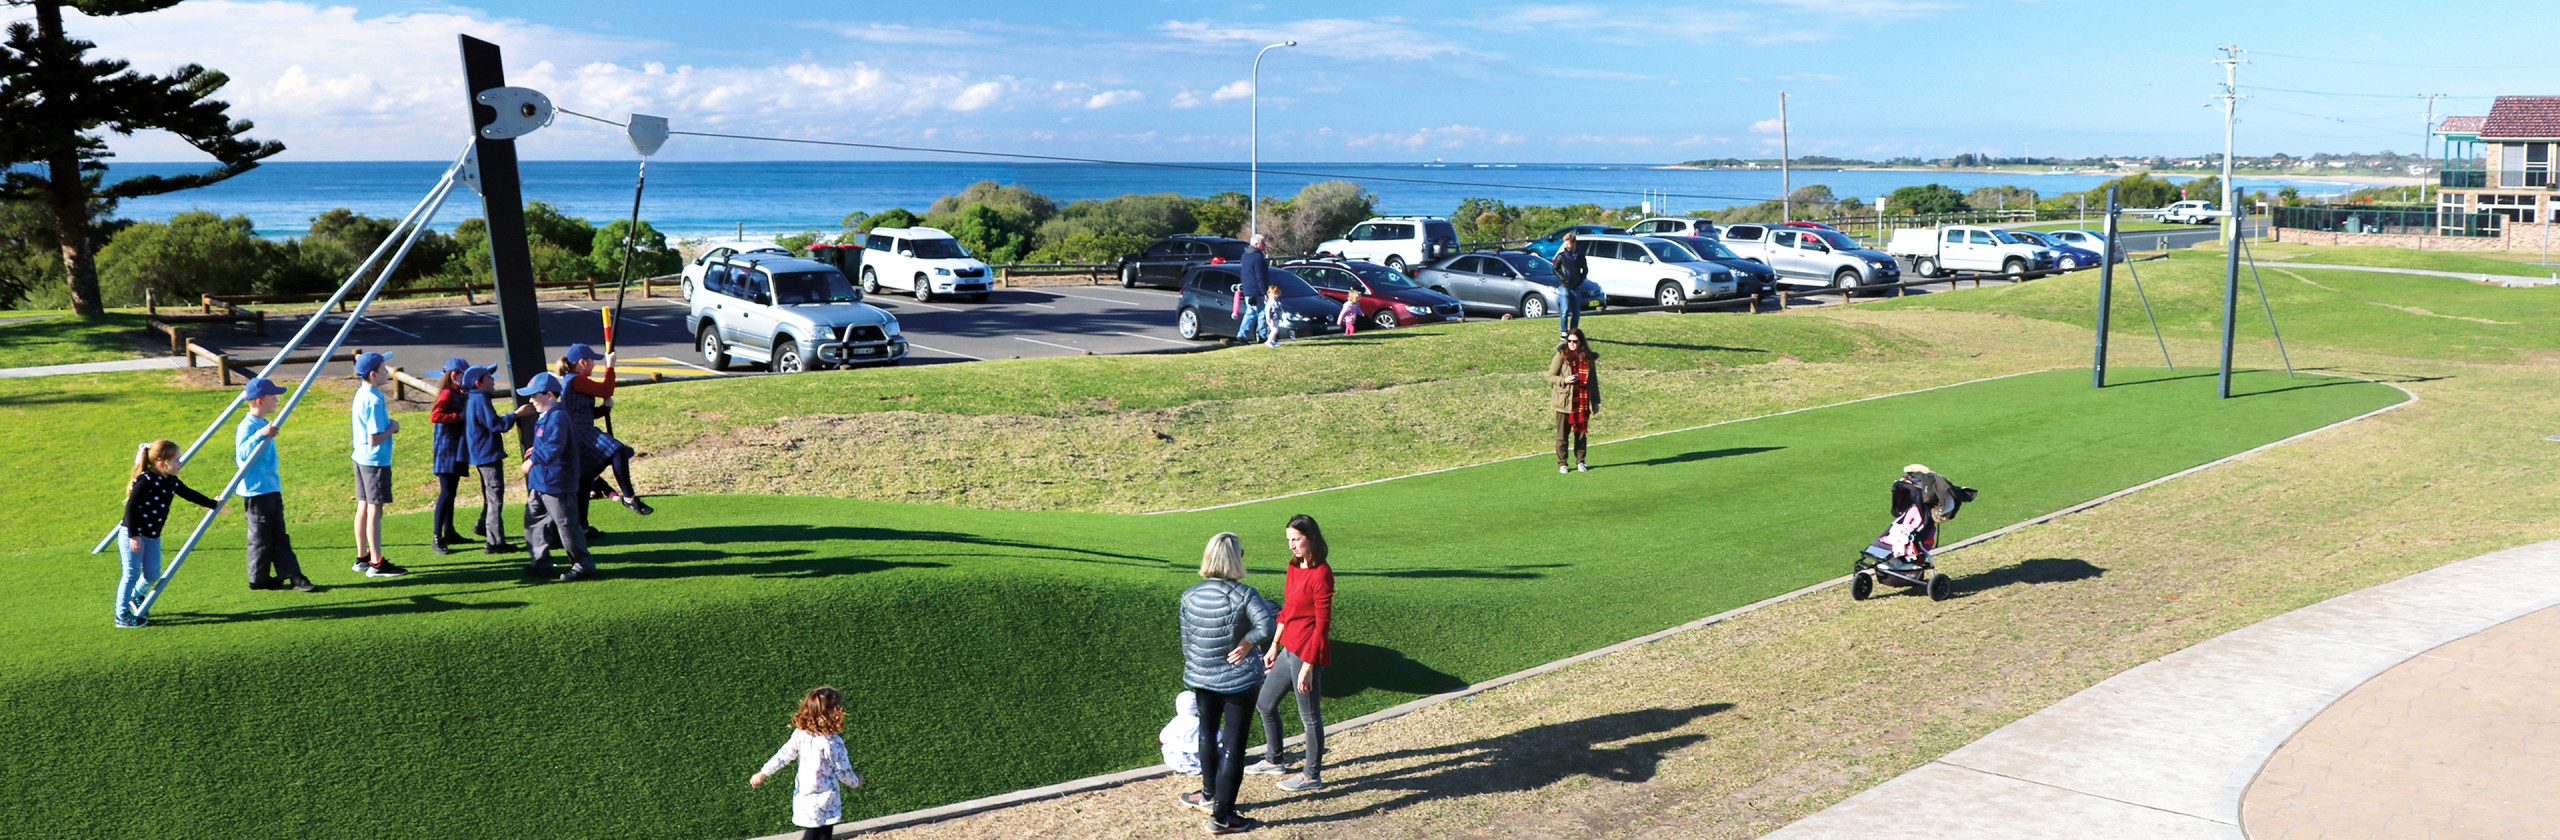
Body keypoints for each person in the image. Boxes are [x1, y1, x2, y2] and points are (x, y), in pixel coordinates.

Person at [1176, 532, 1277, 835]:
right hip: (1238, 681)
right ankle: (1222, 818)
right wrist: (1247, 642)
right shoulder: (1245, 594)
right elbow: (1267, 625)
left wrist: (1201, 666)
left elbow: (1187, 642)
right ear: (1236, 559)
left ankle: (1208, 795)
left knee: (1207, 734)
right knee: (1234, 746)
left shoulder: (1190, 594)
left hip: (1202, 678)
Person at [1247, 514, 1334, 793]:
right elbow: (1287, 609)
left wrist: (1309, 665)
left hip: (1307, 653)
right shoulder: (1294, 566)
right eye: (1289, 540)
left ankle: (1311, 776)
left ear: (1311, 538)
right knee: (1265, 703)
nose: (1292, 545)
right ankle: (1274, 760)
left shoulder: (1322, 574)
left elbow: (1322, 625)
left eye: (1296, 539)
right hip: (1288, 648)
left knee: (1310, 717)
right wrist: (1274, 644)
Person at [117, 440, 222, 627]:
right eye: (176, 460)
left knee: (152, 573)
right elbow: (131, 507)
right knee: (131, 573)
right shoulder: (146, 480)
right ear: (161, 463)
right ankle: (121, 615)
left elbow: (188, 493)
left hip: (152, 535)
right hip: (133, 534)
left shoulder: (171, 480)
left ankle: (136, 595)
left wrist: (212, 504)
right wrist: (134, 535)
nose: (180, 463)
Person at [555, 344, 651, 539]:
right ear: (582, 363)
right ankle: (628, 497)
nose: (594, 365)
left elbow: (584, 412)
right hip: (580, 432)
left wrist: (603, 409)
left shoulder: (574, 380)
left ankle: (582, 527)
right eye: (592, 361)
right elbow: (607, 389)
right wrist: (610, 365)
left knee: (585, 480)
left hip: (578, 431)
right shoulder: (576, 380)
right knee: (618, 450)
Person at [750, 686, 865, 840]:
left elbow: (783, 755)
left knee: (816, 834)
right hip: (827, 800)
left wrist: (763, 773)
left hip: (804, 797)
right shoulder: (833, 743)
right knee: (820, 835)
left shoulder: (801, 735)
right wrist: (856, 781)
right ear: (834, 713)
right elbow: (843, 772)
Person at [234, 378, 315, 593]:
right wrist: (260, 435)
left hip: (270, 487)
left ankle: (290, 575)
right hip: (256, 491)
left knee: (278, 534)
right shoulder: (248, 426)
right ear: (260, 401)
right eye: (273, 397)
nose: (277, 401)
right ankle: (259, 579)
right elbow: (242, 457)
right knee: (261, 538)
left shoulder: (263, 424)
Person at [518, 372, 597, 581]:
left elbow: (555, 445)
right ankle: (540, 562)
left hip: (556, 482)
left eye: (535, 396)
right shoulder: (548, 415)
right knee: (534, 522)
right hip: (542, 481)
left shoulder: (558, 416)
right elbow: (550, 442)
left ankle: (583, 565)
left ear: (550, 395)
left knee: (567, 524)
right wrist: (536, 451)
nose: (531, 400)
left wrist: (533, 460)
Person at [347, 351, 407, 578]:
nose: (387, 372)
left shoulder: (361, 393)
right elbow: (374, 437)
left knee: (363, 505)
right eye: (383, 369)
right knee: (375, 508)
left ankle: (362, 556)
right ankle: (376, 562)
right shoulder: (374, 398)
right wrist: (393, 427)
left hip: (361, 457)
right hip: (374, 461)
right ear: (373, 374)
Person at [459, 365, 518, 554]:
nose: (492, 380)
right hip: (488, 455)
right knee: (495, 499)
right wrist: (516, 415)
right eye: (489, 377)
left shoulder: (473, 398)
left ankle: (484, 527)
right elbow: (496, 425)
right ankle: (495, 542)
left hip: (481, 455)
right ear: (478, 383)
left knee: (491, 496)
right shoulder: (481, 399)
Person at [1889, 464, 1975, 569]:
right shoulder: (1915, 509)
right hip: (1909, 531)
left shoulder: (1922, 513)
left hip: (1915, 540)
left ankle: (1901, 562)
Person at [427, 357, 472, 555]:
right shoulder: (447, 393)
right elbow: (435, 416)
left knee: (451, 492)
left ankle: (450, 531)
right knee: (446, 493)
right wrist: (458, 417)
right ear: (454, 375)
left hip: (454, 448)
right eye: (465, 375)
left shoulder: (457, 393)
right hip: (446, 450)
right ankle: (437, 537)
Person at [1547, 328, 1600, 474]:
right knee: (1562, 436)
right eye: (1569, 341)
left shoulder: (1588, 358)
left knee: (1581, 435)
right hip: (1564, 401)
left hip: (1582, 401)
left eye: (1575, 341)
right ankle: (1562, 463)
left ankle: (1581, 461)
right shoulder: (1561, 355)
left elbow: (1593, 382)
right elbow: (1550, 376)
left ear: (1581, 342)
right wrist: (1565, 380)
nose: (1571, 344)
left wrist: (1595, 401)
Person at [1158, 690, 1213, 776]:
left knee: (1167, 747)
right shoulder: (1200, 722)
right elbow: (1217, 737)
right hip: (1199, 759)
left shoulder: (1175, 722)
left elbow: (1162, 739)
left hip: (1176, 760)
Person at [1551, 232, 1587, 336]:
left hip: (1576, 287)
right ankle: (1564, 330)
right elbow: (1555, 269)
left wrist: (1580, 280)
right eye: (1566, 244)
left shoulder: (1580, 256)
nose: (1567, 246)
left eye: (1569, 244)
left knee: (1576, 312)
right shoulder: (1561, 256)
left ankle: (1573, 331)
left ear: (1574, 243)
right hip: (1564, 286)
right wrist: (1562, 278)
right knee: (1565, 309)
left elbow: (1585, 270)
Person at [1238, 234, 1271, 344]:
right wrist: (1264, 292)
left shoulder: (1245, 255)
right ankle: (1262, 335)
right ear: (1257, 244)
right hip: (1257, 290)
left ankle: (1242, 334)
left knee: (1250, 312)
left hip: (1248, 290)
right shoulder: (1258, 257)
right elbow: (1260, 276)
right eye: (1263, 243)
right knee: (1262, 313)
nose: (1265, 245)